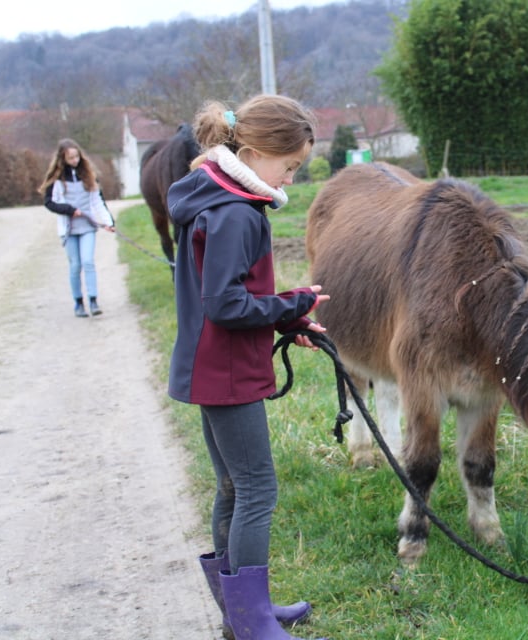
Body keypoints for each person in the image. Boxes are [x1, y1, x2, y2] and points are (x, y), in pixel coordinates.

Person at [167, 94, 329, 640]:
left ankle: (241, 613)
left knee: (233, 487)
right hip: (229, 373)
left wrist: (288, 322)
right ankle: (252, 620)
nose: (290, 177)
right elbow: (227, 305)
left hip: (211, 366)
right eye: (289, 166)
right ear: (256, 152)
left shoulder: (211, 200)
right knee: (257, 488)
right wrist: (294, 304)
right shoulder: (237, 213)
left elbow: (228, 297)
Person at [39, 139, 116, 317]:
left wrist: (108, 222)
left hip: (87, 226)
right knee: (75, 266)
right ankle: (78, 302)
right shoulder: (57, 180)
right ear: (62, 159)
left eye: (76, 156)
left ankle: (93, 300)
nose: (74, 160)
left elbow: (97, 201)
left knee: (88, 262)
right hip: (69, 228)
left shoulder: (88, 175)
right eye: (70, 158)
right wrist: (69, 210)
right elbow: (49, 203)